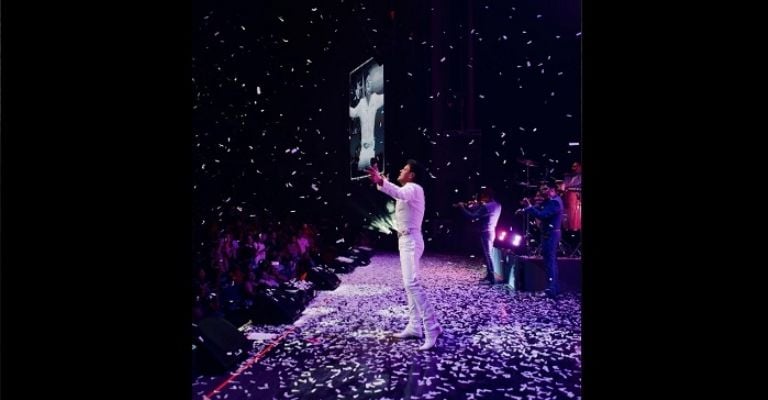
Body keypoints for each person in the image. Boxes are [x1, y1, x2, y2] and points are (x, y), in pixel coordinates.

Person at [367, 159, 442, 350]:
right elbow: (396, 192)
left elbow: (398, 192)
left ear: (412, 175)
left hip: (411, 241)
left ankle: (432, 327)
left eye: (405, 168)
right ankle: (415, 326)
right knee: (409, 286)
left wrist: (381, 181)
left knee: (412, 284)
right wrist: (381, 181)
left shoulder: (413, 188)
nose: (401, 169)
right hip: (406, 240)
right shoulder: (409, 190)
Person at [520, 183, 564, 297]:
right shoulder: (551, 201)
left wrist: (529, 207)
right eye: (541, 189)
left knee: (549, 262)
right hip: (550, 234)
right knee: (551, 262)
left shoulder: (555, 202)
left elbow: (542, 215)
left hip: (551, 235)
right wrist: (526, 208)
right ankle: (554, 288)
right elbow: (539, 208)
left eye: (545, 189)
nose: (542, 192)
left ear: (552, 189)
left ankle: (551, 290)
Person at [454, 187, 503, 284]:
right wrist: (477, 205)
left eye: (482, 196)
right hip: (491, 232)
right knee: (487, 255)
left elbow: (471, 216)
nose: (481, 199)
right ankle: (489, 276)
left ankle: (491, 278)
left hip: (486, 232)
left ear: (486, 196)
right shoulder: (498, 205)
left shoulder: (486, 206)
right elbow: (484, 210)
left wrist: (462, 207)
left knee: (487, 255)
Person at [350, 68, 384, 171]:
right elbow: (353, 113)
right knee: (362, 170)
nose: (368, 83)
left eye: (370, 81)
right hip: (364, 149)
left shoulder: (377, 98)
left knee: (373, 171)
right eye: (367, 81)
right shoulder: (362, 103)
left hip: (373, 147)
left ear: (373, 83)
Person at [562, 161, 582, 231]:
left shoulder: (579, 176)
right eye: (573, 166)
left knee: (575, 212)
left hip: (575, 197)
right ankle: (570, 227)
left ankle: (575, 228)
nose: (574, 168)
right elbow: (564, 187)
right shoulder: (568, 176)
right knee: (569, 212)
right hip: (569, 196)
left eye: (576, 166)